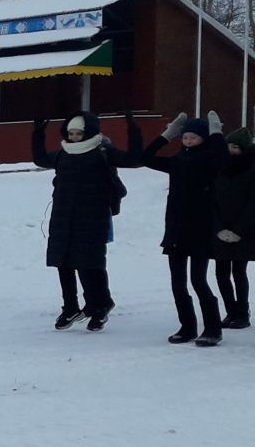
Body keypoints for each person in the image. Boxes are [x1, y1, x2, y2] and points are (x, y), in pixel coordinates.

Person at [31, 111, 132, 332]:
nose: (74, 137)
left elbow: (133, 159)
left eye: (79, 133)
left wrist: (132, 128)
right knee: (63, 262)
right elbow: (40, 159)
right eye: (71, 133)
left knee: (89, 265)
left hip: (92, 218)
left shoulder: (102, 152)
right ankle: (70, 307)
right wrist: (38, 133)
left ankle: (99, 306)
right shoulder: (63, 153)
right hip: (63, 217)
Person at [137, 111, 228, 346]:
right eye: (185, 137)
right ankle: (187, 326)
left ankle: (212, 329)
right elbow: (145, 157)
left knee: (198, 281)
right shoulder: (177, 161)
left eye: (193, 138)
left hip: (200, 229)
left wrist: (216, 132)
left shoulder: (210, 160)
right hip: (176, 229)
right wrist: (168, 134)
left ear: (203, 139)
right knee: (177, 283)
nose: (188, 141)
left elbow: (222, 157)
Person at [214, 126, 255, 330]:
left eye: (235, 147)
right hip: (221, 229)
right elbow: (212, 201)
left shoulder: (251, 169)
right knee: (221, 273)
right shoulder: (219, 168)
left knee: (239, 272)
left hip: (243, 232)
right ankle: (230, 310)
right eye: (229, 146)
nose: (231, 151)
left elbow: (252, 205)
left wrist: (239, 230)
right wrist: (219, 228)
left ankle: (242, 312)